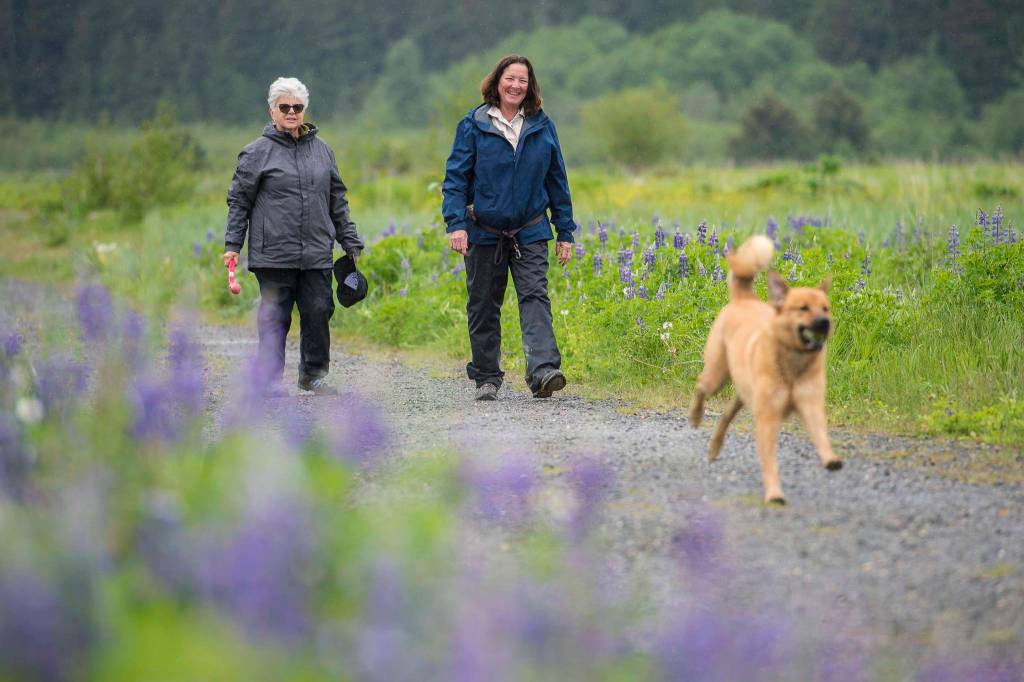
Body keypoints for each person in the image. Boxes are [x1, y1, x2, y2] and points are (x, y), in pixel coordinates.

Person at [442, 54, 575, 401]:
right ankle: (487, 376)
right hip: (483, 230)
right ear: (496, 82)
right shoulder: (473, 124)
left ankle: (543, 371)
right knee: (484, 304)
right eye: (510, 79)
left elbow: (557, 180)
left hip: (530, 230)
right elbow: (455, 179)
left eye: (523, 80)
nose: (516, 86)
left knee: (535, 297)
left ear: (530, 87)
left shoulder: (542, 126)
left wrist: (565, 231)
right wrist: (456, 224)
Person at [222, 76, 363, 396]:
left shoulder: (323, 151)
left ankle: (313, 375)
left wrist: (349, 240)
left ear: (305, 110)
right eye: (284, 107)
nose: (291, 112)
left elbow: (337, 199)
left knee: (318, 310)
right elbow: (238, 201)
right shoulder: (255, 153)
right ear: (272, 111)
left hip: (316, 250)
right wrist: (232, 245)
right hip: (273, 252)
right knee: (275, 317)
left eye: (297, 107)